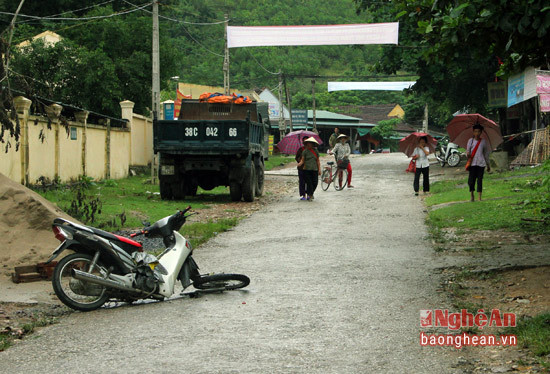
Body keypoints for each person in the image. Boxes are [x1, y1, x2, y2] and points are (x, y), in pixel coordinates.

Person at [467, 123, 491, 201]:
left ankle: (479, 197)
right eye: (475, 131)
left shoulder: (483, 142)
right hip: (472, 164)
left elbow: (486, 154)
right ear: (473, 132)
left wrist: (488, 165)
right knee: (471, 180)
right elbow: (468, 153)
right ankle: (472, 195)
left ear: (481, 132)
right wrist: (468, 154)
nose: (477, 133)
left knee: (479, 180)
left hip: (481, 164)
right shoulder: (470, 141)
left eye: (478, 131)